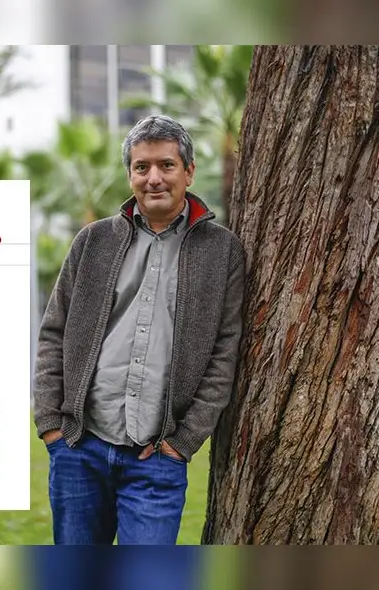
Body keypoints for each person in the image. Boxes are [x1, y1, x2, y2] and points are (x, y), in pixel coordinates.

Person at [32, 114, 246, 545]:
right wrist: (51, 424)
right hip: (80, 448)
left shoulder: (223, 251)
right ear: (129, 173)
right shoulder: (92, 241)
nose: (153, 178)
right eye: (141, 167)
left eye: (166, 165)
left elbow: (224, 353)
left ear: (188, 171)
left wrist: (183, 441)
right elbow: (53, 332)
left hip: (157, 459)